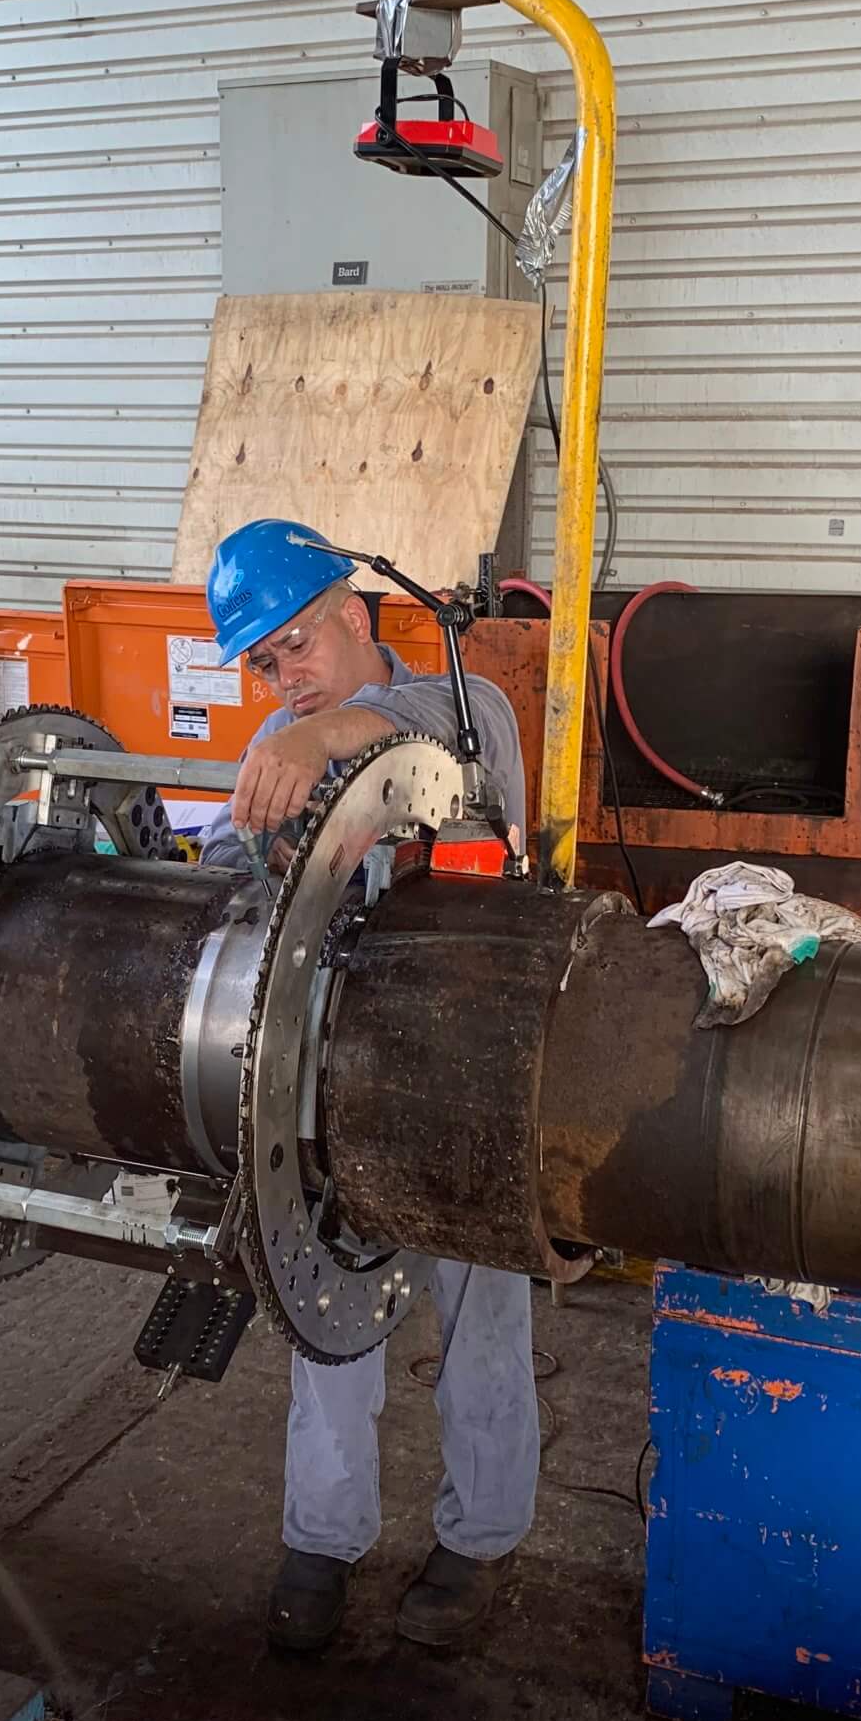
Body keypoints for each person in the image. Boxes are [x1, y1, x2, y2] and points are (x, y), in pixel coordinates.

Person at [195, 516, 539, 1654]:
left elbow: (440, 739)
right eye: (263, 664)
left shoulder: (462, 699)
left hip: (473, 1067)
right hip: (337, 1077)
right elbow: (234, 857)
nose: (281, 679)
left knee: (477, 1315)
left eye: (294, 647)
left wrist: (329, 732)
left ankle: (480, 1541)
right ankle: (323, 1539)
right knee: (327, 1314)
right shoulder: (283, 740)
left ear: (354, 615)